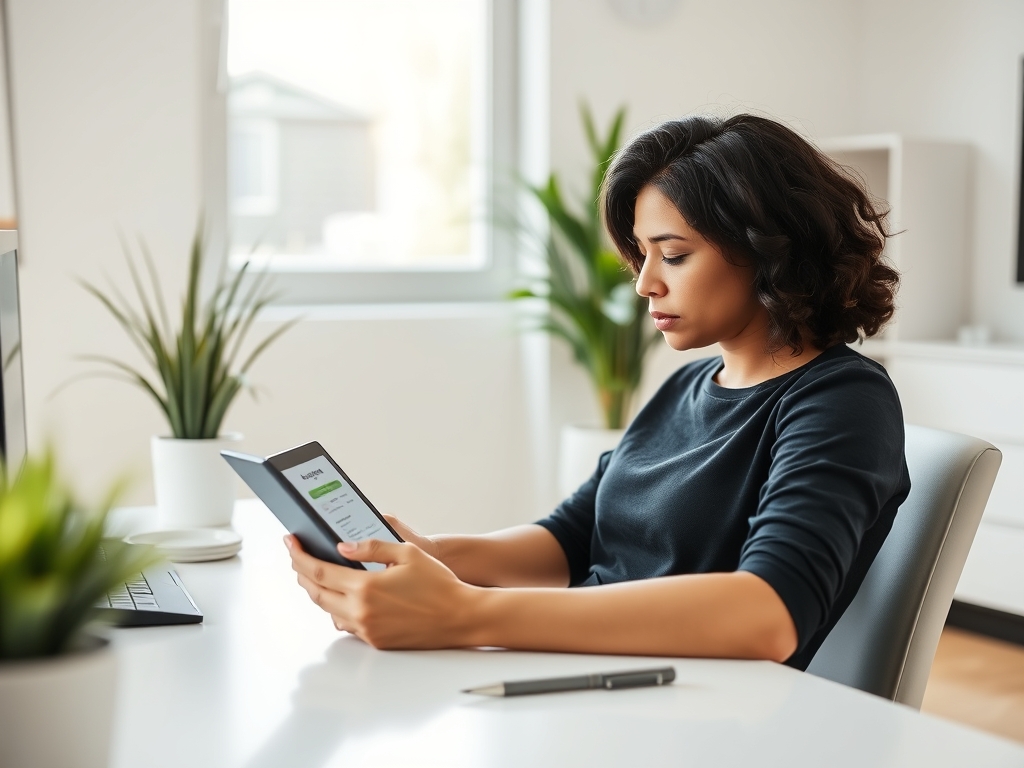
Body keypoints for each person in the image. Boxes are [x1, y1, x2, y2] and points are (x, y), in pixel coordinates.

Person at [284, 113, 911, 669]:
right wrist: (431, 554)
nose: (644, 284)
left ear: (771, 250)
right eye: (641, 255)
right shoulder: (689, 385)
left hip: (695, 712)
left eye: (673, 255)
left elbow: (769, 614)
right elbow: (574, 537)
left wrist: (465, 613)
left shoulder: (843, 400)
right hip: (596, 680)